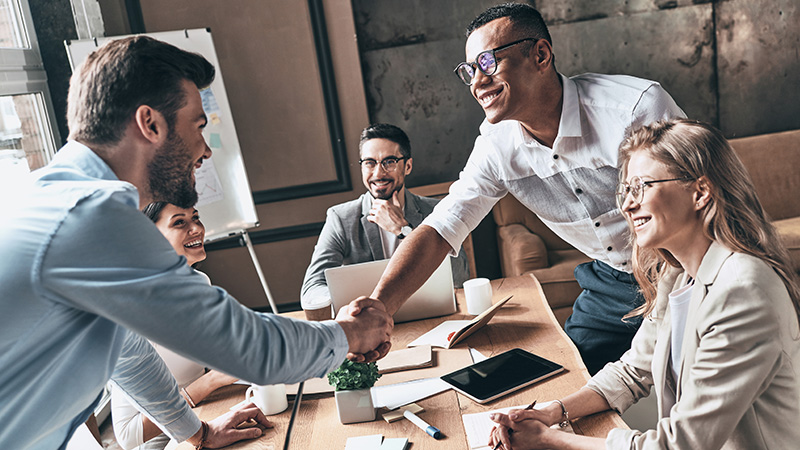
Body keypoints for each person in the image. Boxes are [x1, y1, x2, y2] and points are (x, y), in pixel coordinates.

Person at [0, 35, 392, 449]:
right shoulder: (93, 219)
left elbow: (129, 354)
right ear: (150, 124)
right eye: (198, 127)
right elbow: (250, 349)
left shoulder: (50, 196)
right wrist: (348, 333)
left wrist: (197, 434)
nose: (205, 151)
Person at [355, 2, 685, 372]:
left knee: (693, 384)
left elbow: (702, 201)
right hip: (612, 281)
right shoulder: (497, 146)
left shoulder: (634, 109)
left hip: (684, 265)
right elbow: (440, 229)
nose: (477, 83)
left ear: (540, 55)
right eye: (469, 71)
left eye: (488, 63)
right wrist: (378, 308)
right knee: (566, 385)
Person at [488, 119, 800, 450]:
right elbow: (631, 371)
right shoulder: (677, 275)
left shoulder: (741, 290)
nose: (626, 204)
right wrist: (554, 412)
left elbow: (680, 445)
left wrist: (551, 440)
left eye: (641, 186)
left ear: (700, 191)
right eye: (625, 189)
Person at [300, 123, 470, 319]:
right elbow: (312, 287)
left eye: (389, 162)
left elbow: (459, 277)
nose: (378, 173)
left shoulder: (435, 210)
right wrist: (349, 306)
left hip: (432, 317)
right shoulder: (340, 218)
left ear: (407, 166)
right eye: (370, 163)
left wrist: (404, 230)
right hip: (368, 323)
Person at [112, 202, 242, 450]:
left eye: (196, 218)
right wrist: (208, 383)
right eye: (180, 222)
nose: (197, 229)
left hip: (205, 413)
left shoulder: (199, 282)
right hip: (162, 441)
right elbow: (128, 436)